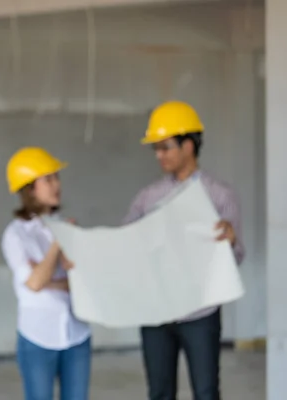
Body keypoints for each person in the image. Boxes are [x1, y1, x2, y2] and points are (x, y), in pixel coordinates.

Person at [123, 100, 245, 400]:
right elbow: (126, 244)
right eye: (156, 148)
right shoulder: (148, 198)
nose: (159, 155)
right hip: (156, 311)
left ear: (189, 145)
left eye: (165, 147)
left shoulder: (220, 196)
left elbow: (237, 257)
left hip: (200, 312)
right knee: (160, 392)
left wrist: (229, 240)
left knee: (205, 392)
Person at [1, 147, 92, 400]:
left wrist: (49, 278)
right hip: (37, 338)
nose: (57, 185)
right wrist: (58, 245)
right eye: (48, 179)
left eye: (56, 178)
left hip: (77, 334)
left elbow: (83, 281)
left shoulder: (68, 225)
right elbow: (34, 282)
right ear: (30, 188)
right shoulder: (15, 234)